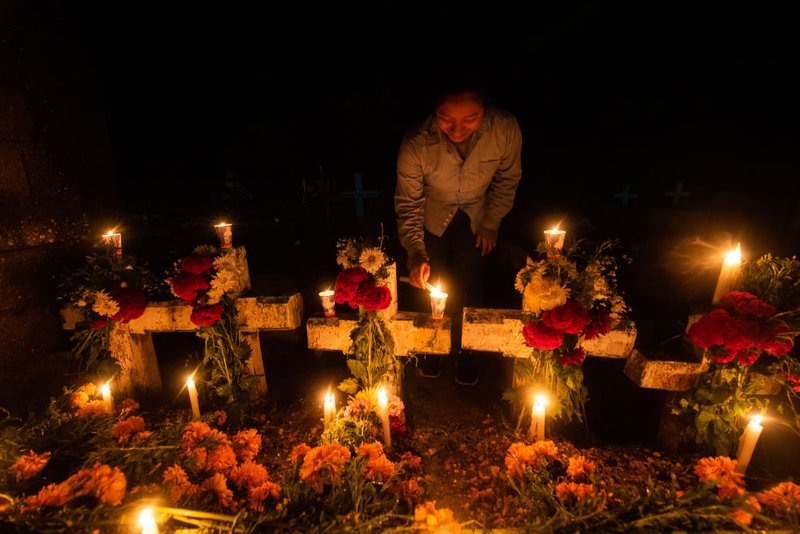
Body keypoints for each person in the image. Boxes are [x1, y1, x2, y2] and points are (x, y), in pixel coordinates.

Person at [394, 77, 522, 385]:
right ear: (434, 109)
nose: (457, 130)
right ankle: (431, 350)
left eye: (470, 120)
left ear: (485, 108)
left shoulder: (504, 130)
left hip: (477, 216)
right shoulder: (416, 143)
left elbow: (507, 179)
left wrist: (491, 223)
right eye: (446, 119)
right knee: (430, 283)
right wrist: (415, 252)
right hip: (431, 216)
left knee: (471, 281)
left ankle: (467, 351)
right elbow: (408, 203)